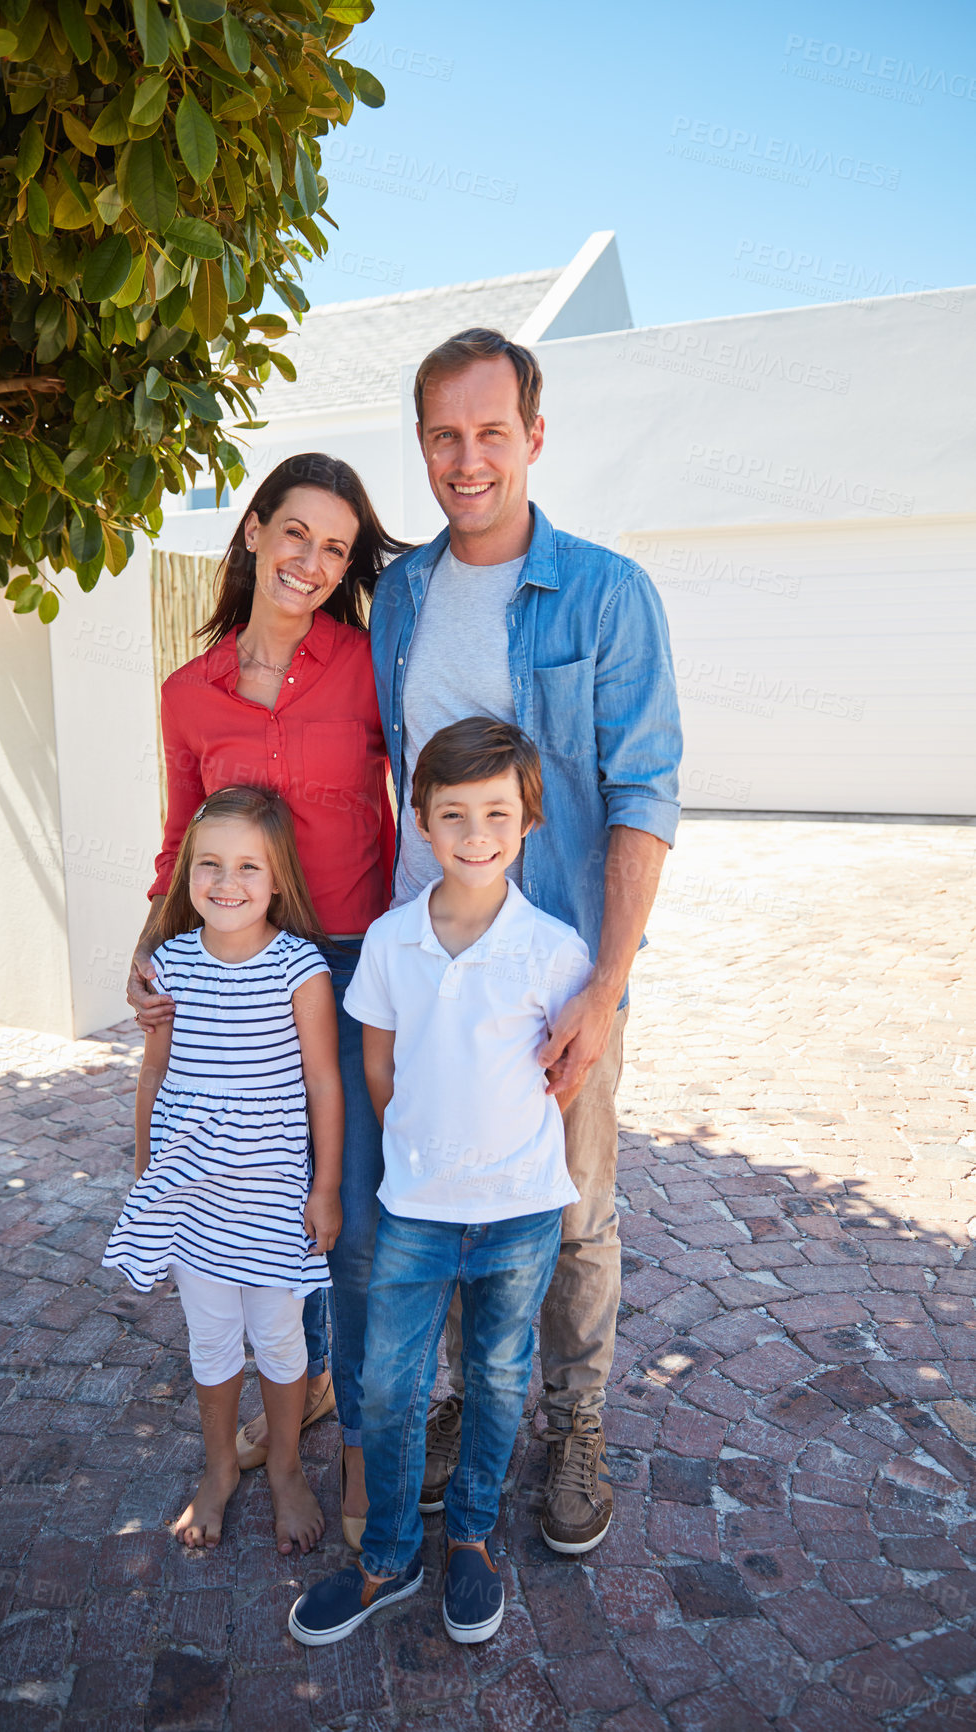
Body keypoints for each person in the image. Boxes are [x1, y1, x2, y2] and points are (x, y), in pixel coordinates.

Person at [369, 328, 682, 1555]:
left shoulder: (605, 591)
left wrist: (601, 987)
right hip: (429, 961)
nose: (467, 457)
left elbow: (643, 793)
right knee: (445, 1190)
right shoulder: (398, 594)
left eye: (491, 431)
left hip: (556, 977)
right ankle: (461, 1401)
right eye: (444, 434)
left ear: (533, 437)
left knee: (572, 1212)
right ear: (422, 445)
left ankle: (574, 1422)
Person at [126, 454, 406, 1547]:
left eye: (336, 548)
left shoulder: (369, 664)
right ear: (251, 532)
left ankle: (349, 1448)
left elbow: (420, 795)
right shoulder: (186, 693)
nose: (312, 562)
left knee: (346, 1208)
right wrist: (150, 954)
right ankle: (303, 1387)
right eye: (296, 534)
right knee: (252, 1185)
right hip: (235, 967)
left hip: (349, 958)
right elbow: (180, 836)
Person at [289, 718, 590, 1647]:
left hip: (519, 1213)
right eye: (452, 813)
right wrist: (425, 1148)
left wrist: (509, 1164)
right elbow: (378, 1071)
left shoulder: (555, 950)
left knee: (500, 1380)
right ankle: (386, 1555)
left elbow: (561, 1083)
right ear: (420, 820)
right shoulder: (388, 943)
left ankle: (470, 1540)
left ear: (528, 820)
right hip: (416, 1209)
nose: (474, 832)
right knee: (388, 1383)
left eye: (496, 812)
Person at [105, 786, 343, 1554]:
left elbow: (322, 1084)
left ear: (278, 881)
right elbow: (153, 1075)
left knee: (279, 1341)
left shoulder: (298, 967)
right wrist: (146, 1166)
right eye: (209, 864)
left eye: (249, 867)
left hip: (271, 1194)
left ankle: (283, 1469)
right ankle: (218, 1470)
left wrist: (326, 1186)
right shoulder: (171, 963)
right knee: (210, 1340)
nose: (227, 882)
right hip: (193, 1195)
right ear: (187, 875)